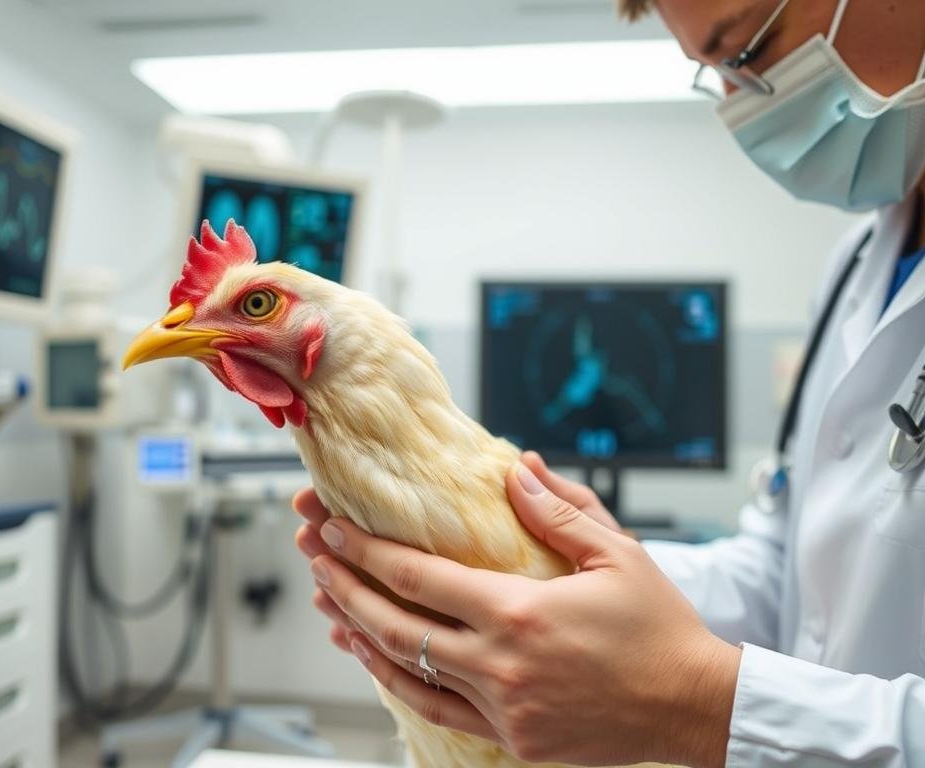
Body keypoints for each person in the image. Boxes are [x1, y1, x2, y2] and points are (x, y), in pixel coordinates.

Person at [294, 0, 925, 765]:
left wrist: (694, 701)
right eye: (712, 73)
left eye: (746, 49)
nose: (738, 103)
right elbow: (787, 575)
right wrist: (553, 567)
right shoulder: (859, 264)